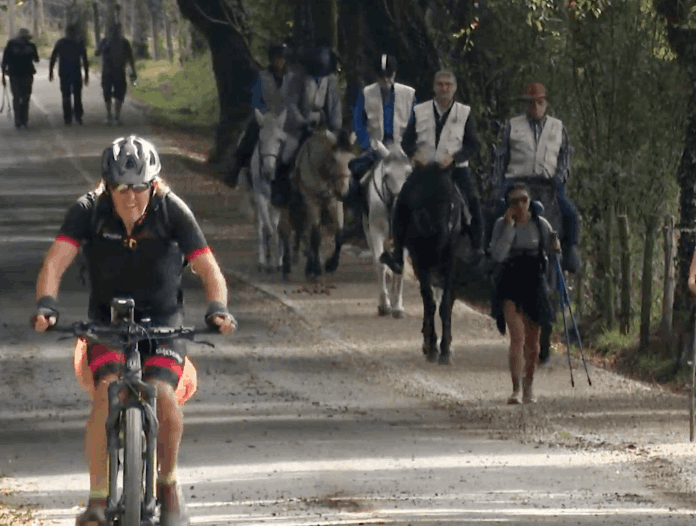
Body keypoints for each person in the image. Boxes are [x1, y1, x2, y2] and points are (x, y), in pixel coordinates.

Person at [31, 136, 236, 526]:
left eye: (139, 188)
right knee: (108, 391)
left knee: (162, 394)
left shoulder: (172, 210)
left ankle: (169, 485)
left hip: (164, 324)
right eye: (121, 188)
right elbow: (55, 264)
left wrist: (218, 308)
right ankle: (96, 497)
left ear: (154, 184)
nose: (130, 198)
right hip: (105, 325)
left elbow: (209, 270)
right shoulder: (88, 211)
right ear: (107, 185)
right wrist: (47, 304)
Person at [492, 82, 581, 366]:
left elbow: (566, 154)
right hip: (519, 183)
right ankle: (490, 256)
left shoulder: (558, 127)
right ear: (525, 104)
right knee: (493, 215)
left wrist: (562, 174)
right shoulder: (511, 126)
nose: (535, 107)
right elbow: (500, 156)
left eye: (539, 102)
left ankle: (569, 252)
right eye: (530, 103)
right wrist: (498, 186)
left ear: (546, 103)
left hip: (549, 184)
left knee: (571, 214)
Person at [400, 70, 483, 260]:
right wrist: (415, 154)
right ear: (434, 87)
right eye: (440, 84)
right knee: (403, 199)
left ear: (454, 88)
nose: (444, 88)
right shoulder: (419, 110)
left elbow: (473, 144)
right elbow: (406, 141)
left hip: (454, 170)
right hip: (425, 169)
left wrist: (455, 158)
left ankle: (478, 247)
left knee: (472, 201)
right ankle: (398, 249)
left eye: (448, 84)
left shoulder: (464, 113)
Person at [488, 183, 560, 404]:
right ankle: (516, 389)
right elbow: (498, 255)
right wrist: (509, 227)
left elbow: (553, 252)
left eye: (524, 200)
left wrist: (557, 249)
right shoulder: (501, 225)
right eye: (514, 201)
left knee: (533, 342)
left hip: (534, 283)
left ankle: (529, 386)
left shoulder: (541, 224)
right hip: (510, 282)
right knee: (516, 339)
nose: (520, 205)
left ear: (530, 201)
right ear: (508, 205)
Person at [344, 53, 417, 218]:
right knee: (354, 175)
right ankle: (358, 216)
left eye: (388, 75)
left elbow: (415, 124)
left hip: (402, 149)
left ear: (394, 74)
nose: (385, 80)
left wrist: (410, 146)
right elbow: (358, 122)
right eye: (381, 76)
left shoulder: (409, 94)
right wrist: (366, 144)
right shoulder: (366, 93)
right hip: (376, 147)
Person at [225, 43, 303, 188]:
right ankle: (237, 170)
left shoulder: (293, 79)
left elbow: (295, 101)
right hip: (266, 119)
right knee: (249, 137)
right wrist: (265, 115)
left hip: (286, 122)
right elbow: (256, 100)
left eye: (281, 59)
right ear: (271, 59)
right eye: (276, 59)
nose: (279, 62)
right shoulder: (262, 77)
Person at [95, 23, 136, 126]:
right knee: (116, 94)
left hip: (109, 72)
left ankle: (111, 115)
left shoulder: (106, 41)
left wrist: (102, 48)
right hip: (117, 72)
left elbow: (97, 53)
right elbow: (130, 58)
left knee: (109, 93)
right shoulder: (123, 42)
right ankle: (115, 116)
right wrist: (132, 72)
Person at [49, 24, 89, 126]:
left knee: (66, 95)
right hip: (75, 71)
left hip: (64, 71)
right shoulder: (79, 43)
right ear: (75, 32)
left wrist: (51, 71)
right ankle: (78, 116)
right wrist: (86, 74)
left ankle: (67, 117)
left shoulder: (61, 42)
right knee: (77, 95)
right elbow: (84, 59)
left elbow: (53, 57)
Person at [298, 45, 342, 136]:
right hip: (302, 125)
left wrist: (335, 129)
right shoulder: (301, 79)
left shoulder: (331, 80)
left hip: (324, 126)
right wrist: (301, 122)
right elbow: (292, 104)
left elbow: (335, 105)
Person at [1, 28, 39, 129]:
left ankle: (18, 119)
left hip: (14, 75)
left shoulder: (10, 44)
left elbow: (4, 61)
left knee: (16, 97)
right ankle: (24, 120)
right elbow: (37, 59)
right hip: (27, 75)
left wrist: (3, 77)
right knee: (26, 97)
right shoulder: (31, 46)